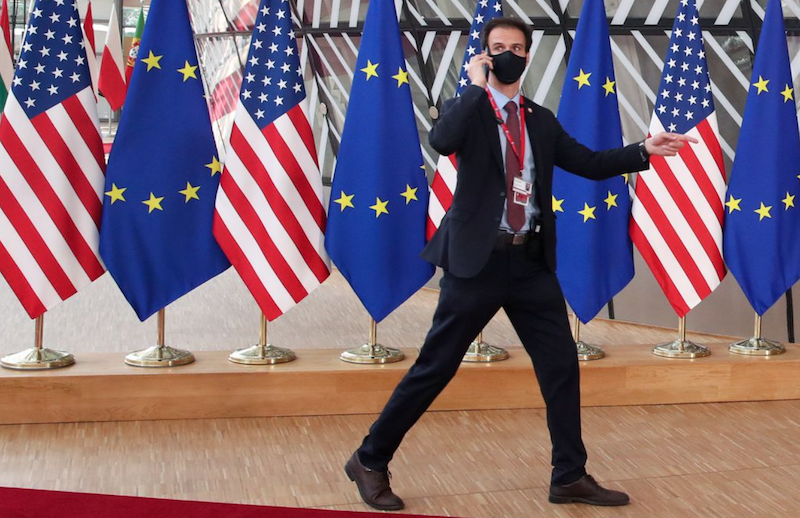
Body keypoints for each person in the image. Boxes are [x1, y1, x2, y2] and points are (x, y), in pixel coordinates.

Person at [344, 17, 696, 510]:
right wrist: (473, 85)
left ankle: (569, 476)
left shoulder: (541, 119)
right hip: (476, 264)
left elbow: (589, 163)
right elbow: (443, 140)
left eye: (516, 47)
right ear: (484, 56)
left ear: (528, 56)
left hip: (530, 264)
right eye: (497, 48)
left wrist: (643, 150)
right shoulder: (470, 110)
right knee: (435, 368)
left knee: (560, 368)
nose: (507, 54)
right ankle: (370, 458)